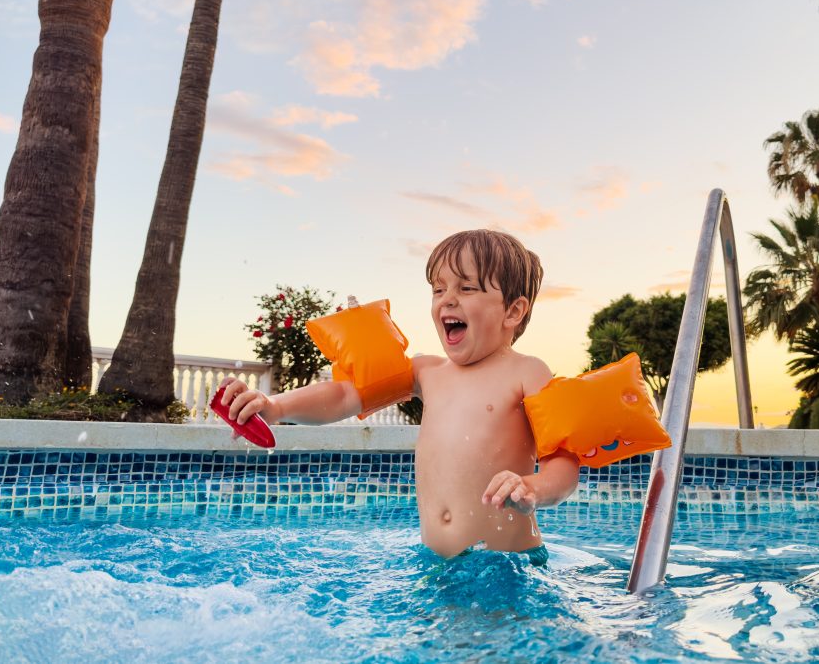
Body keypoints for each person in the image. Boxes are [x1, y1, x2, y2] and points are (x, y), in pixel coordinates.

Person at [218, 229, 580, 560]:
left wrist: (531, 487)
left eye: (466, 289)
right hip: (435, 563)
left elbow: (562, 464)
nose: (447, 301)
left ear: (513, 311)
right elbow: (346, 395)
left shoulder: (527, 373)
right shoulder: (427, 372)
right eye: (439, 290)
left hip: (506, 562)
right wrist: (276, 406)